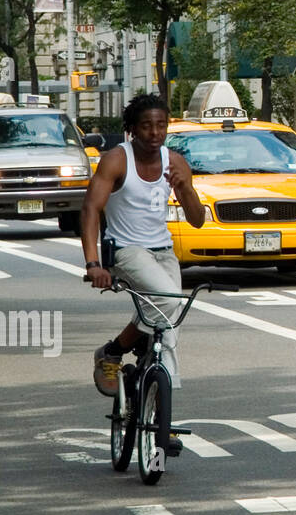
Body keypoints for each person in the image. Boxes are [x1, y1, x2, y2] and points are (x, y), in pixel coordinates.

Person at [83, 94, 205, 451]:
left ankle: (153, 406)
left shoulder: (176, 162)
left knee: (168, 328)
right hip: (125, 250)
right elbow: (91, 210)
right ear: (132, 129)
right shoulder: (116, 160)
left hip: (162, 250)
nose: (155, 132)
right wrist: (94, 264)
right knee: (170, 305)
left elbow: (197, 220)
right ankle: (117, 355)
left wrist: (184, 188)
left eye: (161, 125)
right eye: (146, 125)